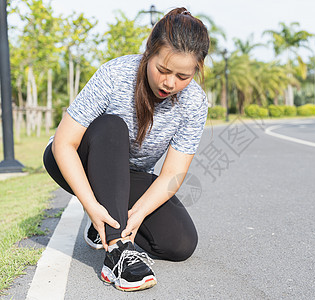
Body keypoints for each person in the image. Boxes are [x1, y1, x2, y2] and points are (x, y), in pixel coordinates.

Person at [43, 7, 210, 292]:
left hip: (128, 175)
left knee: (180, 243)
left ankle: (107, 225)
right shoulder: (115, 75)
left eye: (183, 76)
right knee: (111, 126)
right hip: (74, 159)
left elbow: (172, 174)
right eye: (163, 70)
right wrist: (91, 206)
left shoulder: (194, 103)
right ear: (149, 54)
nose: (170, 83)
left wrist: (139, 213)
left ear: (196, 70)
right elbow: (64, 143)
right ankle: (118, 252)